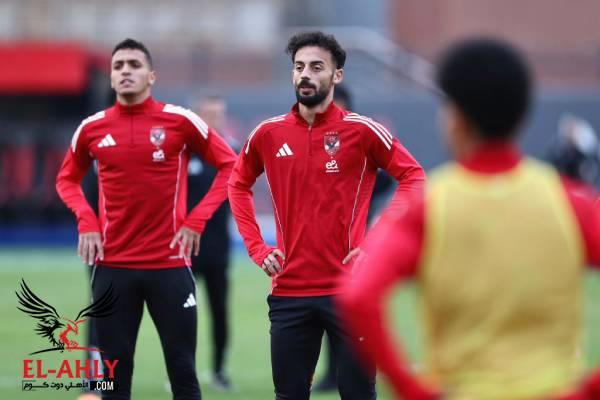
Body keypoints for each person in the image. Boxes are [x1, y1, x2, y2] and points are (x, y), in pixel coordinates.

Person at [339, 38, 600, 399]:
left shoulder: (427, 207)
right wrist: (589, 390)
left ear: (455, 118)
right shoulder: (571, 203)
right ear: (522, 114)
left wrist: (412, 390)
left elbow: (357, 296)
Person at [228, 31, 426, 399]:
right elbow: (237, 185)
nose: (306, 74)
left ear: (337, 75)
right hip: (288, 291)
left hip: (351, 291)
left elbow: (414, 177)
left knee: (358, 393)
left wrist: (376, 243)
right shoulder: (268, 134)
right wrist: (256, 247)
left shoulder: (362, 131)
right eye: (299, 67)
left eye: (317, 67)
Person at [56, 38, 237, 400]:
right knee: (113, 378)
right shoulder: (92, 128)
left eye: (134, 65)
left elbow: (232, 166)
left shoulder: (180, 121)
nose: (126, 71)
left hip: (169, 266)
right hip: (113, 268)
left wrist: (197, 219)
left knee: (183, 373)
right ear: (111, 77)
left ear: (151, 76)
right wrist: (87, 220)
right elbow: (66, 179)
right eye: (119, 66)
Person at [312, 84, 394, 393]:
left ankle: (359, 372)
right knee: (326, 309)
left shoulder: (363, 136)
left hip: (357, 245)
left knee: (355, 311)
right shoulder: (317, 140)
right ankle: (331, 373)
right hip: (325, 245)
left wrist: (367, 201)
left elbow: (392, 177)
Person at [187, 94, 237, 391]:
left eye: (219, 114)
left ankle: (219, 372)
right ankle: (184, 371)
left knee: (220, 312)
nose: (215, 120)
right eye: (209, 114)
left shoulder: (232, 152)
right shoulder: (184, 152)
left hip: (219, 248)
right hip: (186, 248)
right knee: (183, 313)